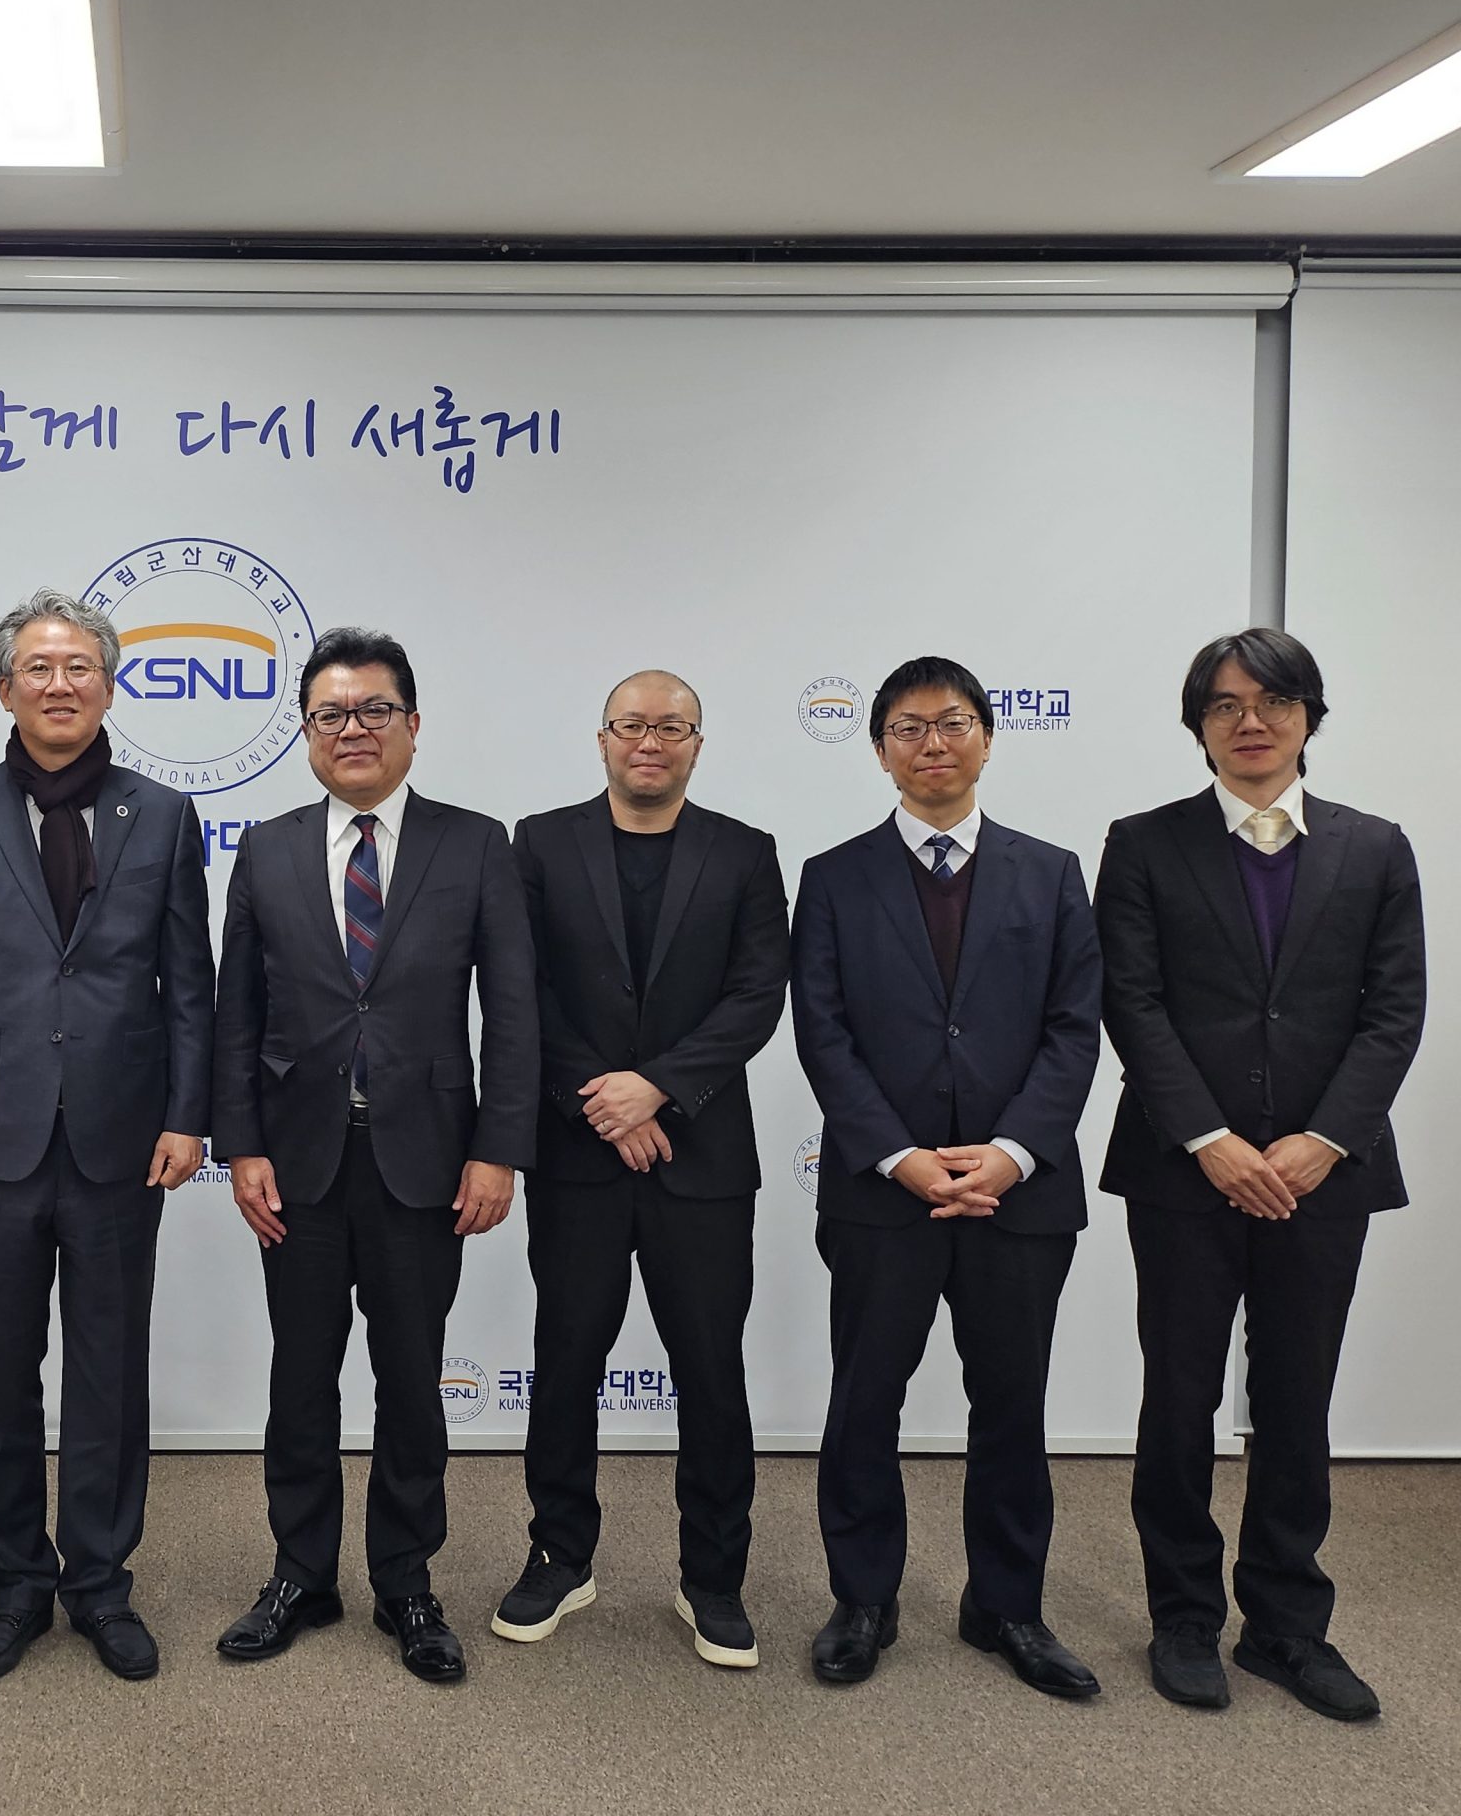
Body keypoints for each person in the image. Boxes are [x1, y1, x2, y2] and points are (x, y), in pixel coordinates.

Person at [1097, 629, 1424, 1720]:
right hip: (1184, 1170)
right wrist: (1209, 1138)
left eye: (1275, 702)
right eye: (1226, 705)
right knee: (1178, 1396)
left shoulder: (1375, 848)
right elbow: (1132, 1003)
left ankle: (1286, 1626)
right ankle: (1183, 1616)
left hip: (1324, 1174)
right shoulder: (1142, 844)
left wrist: (1324, 1139)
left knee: (1296, 1396)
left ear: (1308, 717)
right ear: (1197, 725)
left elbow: (1394, 1011)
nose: (1252, 722)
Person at [0, 588, 215, 1684]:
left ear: (109, 685)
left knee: (108, 1372)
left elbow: (189, 983)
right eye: (38, 668)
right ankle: (14, 1586)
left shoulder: (161, 814)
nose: (59, 684)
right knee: (1, 1373)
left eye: (79, 666)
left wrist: (188, 1115)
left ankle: (101, 1586)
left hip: (124, 1140)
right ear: (6, 690)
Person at [212, 627, 538, 1685]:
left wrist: (498, 1151)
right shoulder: (266, 849)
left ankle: (405, 1581)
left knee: (409, 1380)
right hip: (297, 1163)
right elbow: (234, 1013)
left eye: (373, 710)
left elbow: (514, 1013)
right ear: (306, 732)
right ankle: (301, 1574)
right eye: (329, 714)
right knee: (299, 1379)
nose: (351, 729)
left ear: (411, 724)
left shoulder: (474, 844)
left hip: (427, 1163)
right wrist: (240, 1145)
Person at [790, 655, 1103, 1697]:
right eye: (910, 728)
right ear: (881, 750)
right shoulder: (832, 877)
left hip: (1020, 1196)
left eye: (954, 722)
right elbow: (823, 1034)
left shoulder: (1050, 871)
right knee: (863, 1400)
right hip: (883, 1193)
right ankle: (862, 1600)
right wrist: (903, 1157)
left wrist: (1011, 1153)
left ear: (987, 739)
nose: (933, 743)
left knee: (1010, 1404)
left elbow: (1075, 1028)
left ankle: (1006, 1607)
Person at [496, 670, 787, 1666]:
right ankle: (559, 1557)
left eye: (671, 727)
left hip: (701, 1158)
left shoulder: (744, 852)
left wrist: (656, 1087)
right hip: (578, 1155)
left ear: (697, 743)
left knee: (710, 1371)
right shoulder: (541, 842)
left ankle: (713, 1579)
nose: (649, 741)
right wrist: (604, 1101)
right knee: (566, 1363)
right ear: (602, 738)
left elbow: (756, 995)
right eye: (632, 725)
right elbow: (522, 990)